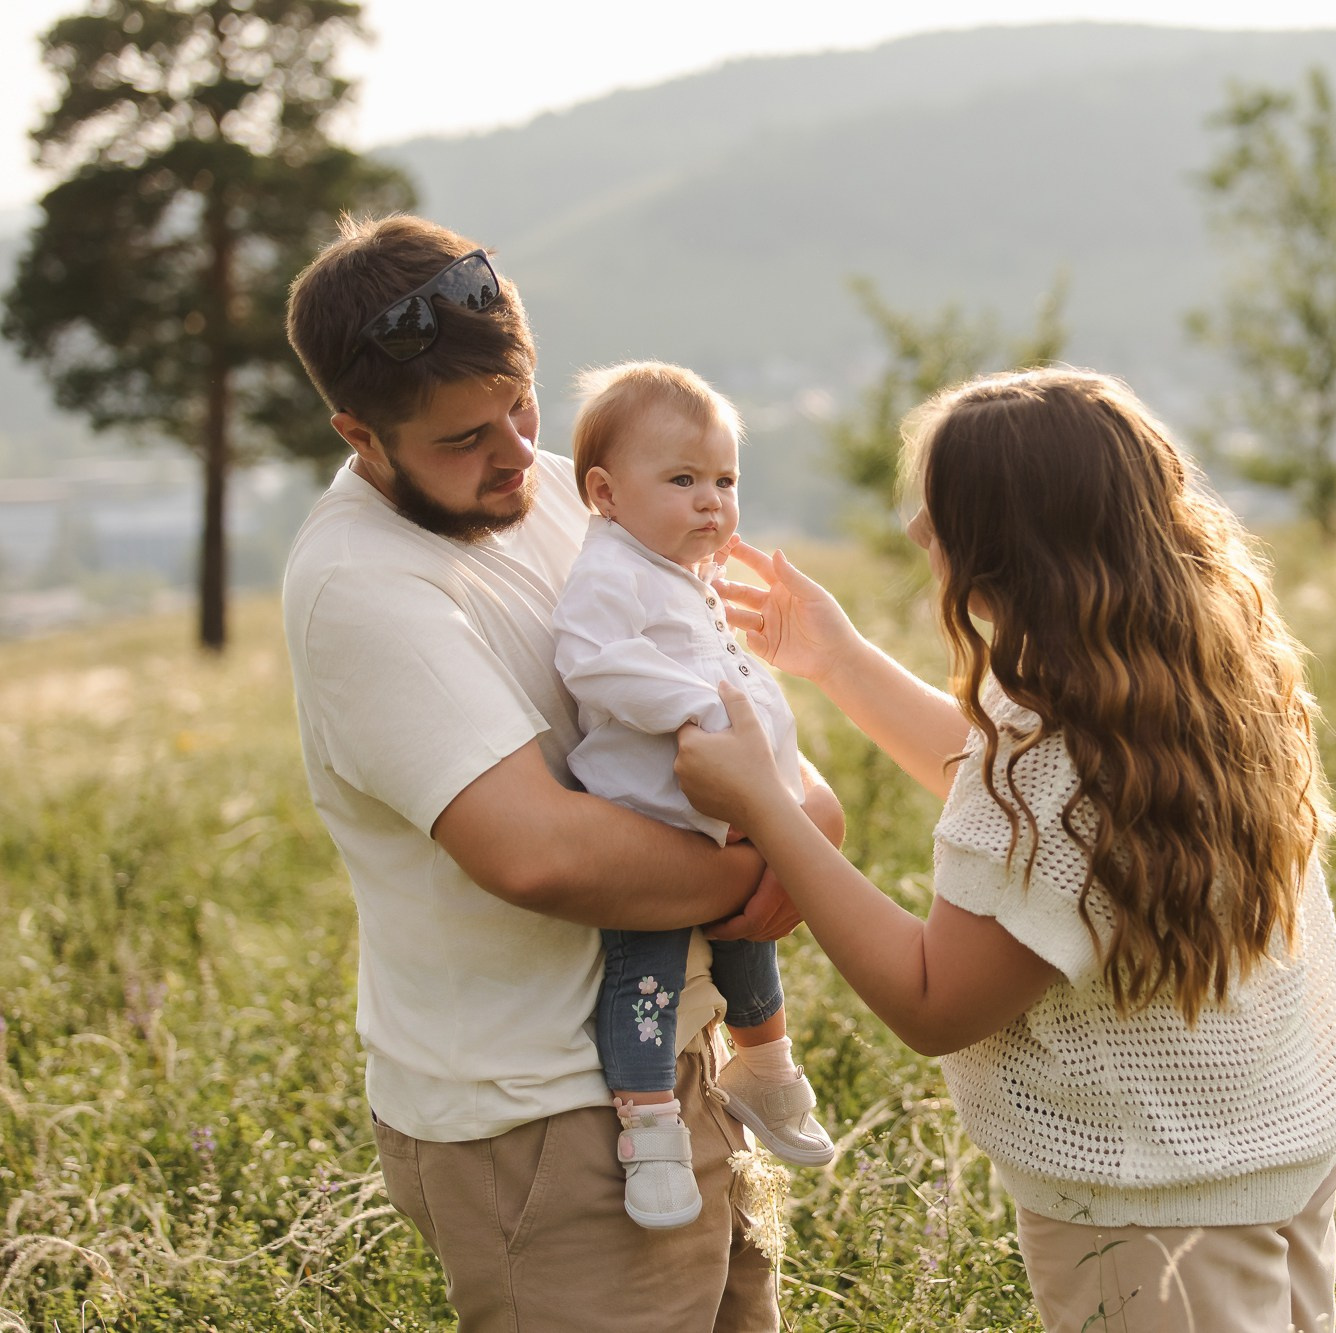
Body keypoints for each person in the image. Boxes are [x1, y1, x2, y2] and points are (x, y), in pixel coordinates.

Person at [674, 368, 1336, 1333]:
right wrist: (838, 659)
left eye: (942, 507)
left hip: (1154, 1207)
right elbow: (1022, 804)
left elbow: (934, 1001)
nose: (918, 531)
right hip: (1268, 1151)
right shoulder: (1193, 668)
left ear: (1011, 545)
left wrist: (767, 809)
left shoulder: (1056, 743)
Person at [281, 213, 837, 1332]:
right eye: (456, 438)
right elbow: (534, 851)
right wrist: (778, 858)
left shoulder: (564, 492)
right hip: (537, 1118)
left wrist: (794, 806)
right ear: (359, 433)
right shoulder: (365, 587)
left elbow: (716, 683)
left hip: (683, 1066)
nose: (508, 452)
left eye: (519, 404)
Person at [552, 362, 838, 1231]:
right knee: (646, 972)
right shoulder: (612, 571)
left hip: (722, 814)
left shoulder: (682, 571)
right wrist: (698, 705)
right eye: (683, 481)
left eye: (725, 480)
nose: (712, 501)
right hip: (653, 821)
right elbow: (590, 658)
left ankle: (765, 1066)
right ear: (605, 492)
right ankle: (650, 1130)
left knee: (752, 941)